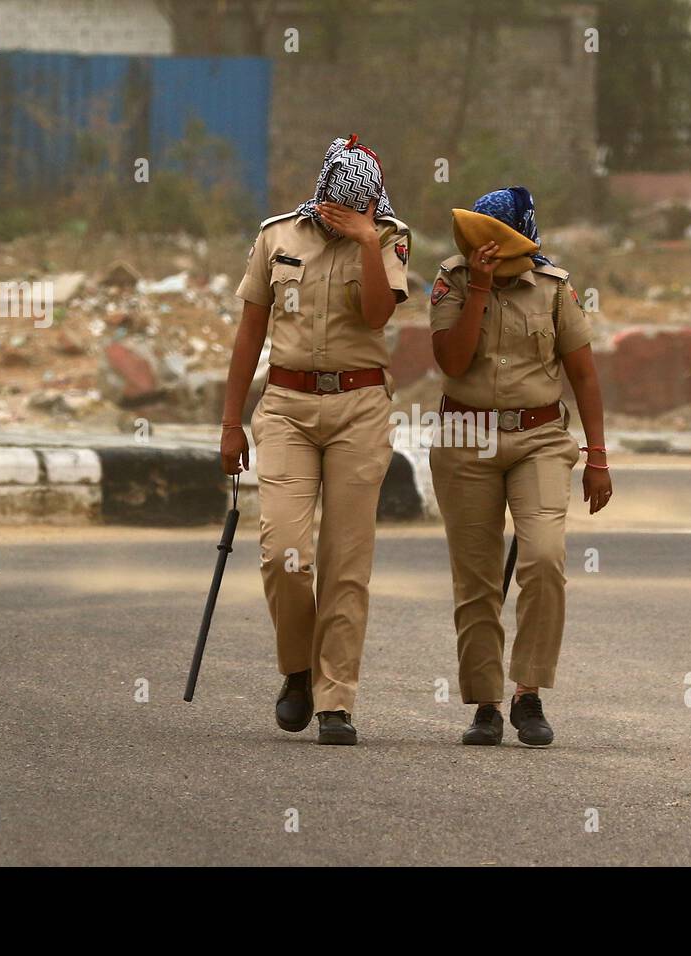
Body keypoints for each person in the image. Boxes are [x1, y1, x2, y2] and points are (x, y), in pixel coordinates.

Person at [219, 135, 410, 746]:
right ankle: (296, 670)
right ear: (322, 192)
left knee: (346, 562)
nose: (341, 216)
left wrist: (365, 240)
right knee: (283, 553)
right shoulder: (276, 237)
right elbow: (250, 333)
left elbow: (379, 316)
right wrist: (230, 422)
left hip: (359, 407)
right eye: (336, 207)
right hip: (288, 407)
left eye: (357, 208)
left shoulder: (389, 237)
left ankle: (336, 701)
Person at [428, 186, 612, 747]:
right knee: (477, 578)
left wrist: (597, 457)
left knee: (544, 556)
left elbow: (582, 375)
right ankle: (485, 704)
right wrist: (479, 289)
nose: (489, 253)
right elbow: (451, 360)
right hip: (466, 438)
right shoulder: (452, 280)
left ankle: (528, 693)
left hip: (539, 437)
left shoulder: (555, 288)